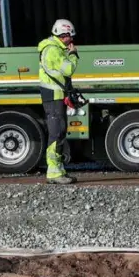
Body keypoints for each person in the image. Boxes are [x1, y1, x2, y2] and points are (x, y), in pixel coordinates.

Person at [37, 19, 80, 184]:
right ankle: (54, 173)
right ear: (63, 35)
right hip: (53, 96)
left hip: (56, 95)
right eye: (69, 36)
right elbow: (69, 69)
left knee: (60, 132)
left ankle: (59, 170)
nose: (71, 40)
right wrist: (73, 55)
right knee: (57, 133)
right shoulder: (53, 50)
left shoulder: (54, 48)